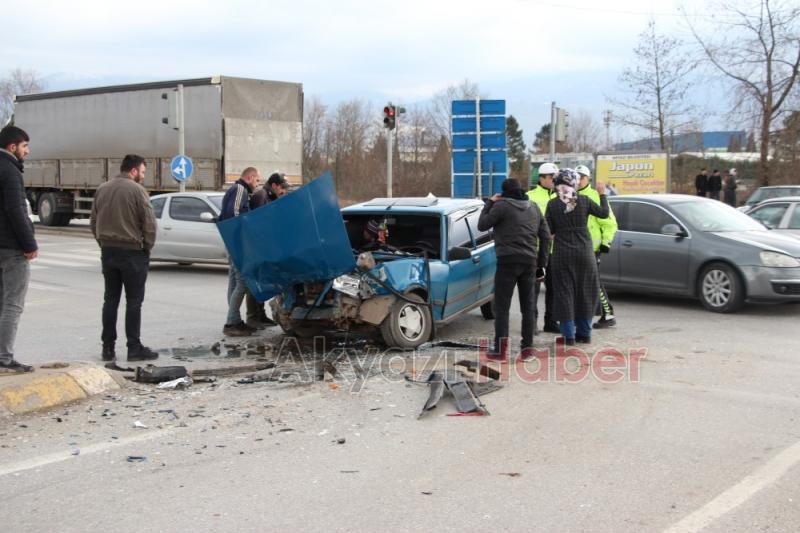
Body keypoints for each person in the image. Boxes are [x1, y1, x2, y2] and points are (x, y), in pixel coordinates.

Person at [90, 154, 158, 362]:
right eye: (143, 172)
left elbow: (94, 221)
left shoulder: (102, 188)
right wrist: (147, 247)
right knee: (134, 302)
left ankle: (108, 348)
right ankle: (133, 347)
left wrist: (103, 243)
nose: (143, 177)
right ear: (134, 171)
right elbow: (149, 223)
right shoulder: (137, 190)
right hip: (132, 252)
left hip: (108, 251)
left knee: (110, 300)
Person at [479, 178, 551, 360]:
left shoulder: (501, 206)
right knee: (528, 307)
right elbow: (546, 237)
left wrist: (489, 203)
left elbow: (482, 225)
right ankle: (527, 350)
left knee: (502, 308)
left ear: (503, 192)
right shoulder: (533, 207)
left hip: (507, 261)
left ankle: (500, 351)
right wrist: (541, 265)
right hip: (530, 262)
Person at [545, 169, 609, 346]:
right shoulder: (585, 200)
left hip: (562, 254)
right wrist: (602, 194)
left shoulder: (553, 205)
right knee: (585, 291)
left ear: (558, 184)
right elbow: (604, 214)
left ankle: (569, 336)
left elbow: (547, 232)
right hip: (585, 253)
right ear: (574, 183)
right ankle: (585, 334)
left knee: (565, 293)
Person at [0, 126, 37, 373]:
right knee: (13, 303)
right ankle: (4, 358)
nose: (27, 151)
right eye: (24, 146)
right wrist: (29, 244)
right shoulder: (10, 171)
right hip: (12, 246)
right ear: (12, 147)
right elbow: (16, 210)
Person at [575, 165, 618, 329]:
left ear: (588, 179)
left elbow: (610, 223)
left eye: (582, 177)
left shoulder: (594, 196)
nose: (579, 180)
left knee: (594, 282)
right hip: (576, 247)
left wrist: (606, 243)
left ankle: (608, 314)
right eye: (576, 177)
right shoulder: (570, 195)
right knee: (582, 283)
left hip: (592, 247)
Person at [220, 167, 261, 336]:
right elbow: (234, 215)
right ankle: (231, 323)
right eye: (257, 180)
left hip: (233, 242)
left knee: (234, 281)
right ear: (250, 177)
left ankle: (234, 320)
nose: (258, 184)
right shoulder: (240, 189)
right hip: (237, 244)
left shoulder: (238, 189)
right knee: (242, 282)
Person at [245, 172, 289, 329]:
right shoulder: (261, 195)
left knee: (263, 281)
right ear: (275, 185)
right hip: (257, 246)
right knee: (255, 282)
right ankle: (252, 317)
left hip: (265, 245)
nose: (284, 191)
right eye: (283, 188)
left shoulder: (270, 196)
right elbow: (257, 223)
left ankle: (261, 315)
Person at [527, 162, 559, 333]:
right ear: (542, 178)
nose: (554, 180)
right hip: (535, 251)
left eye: (555, 177)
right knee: (532, 289)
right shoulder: (529, 197)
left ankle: (551, 322)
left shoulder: (560, 197)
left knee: (553, 289)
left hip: (554, 251)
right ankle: (532, 323)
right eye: (551, 177)